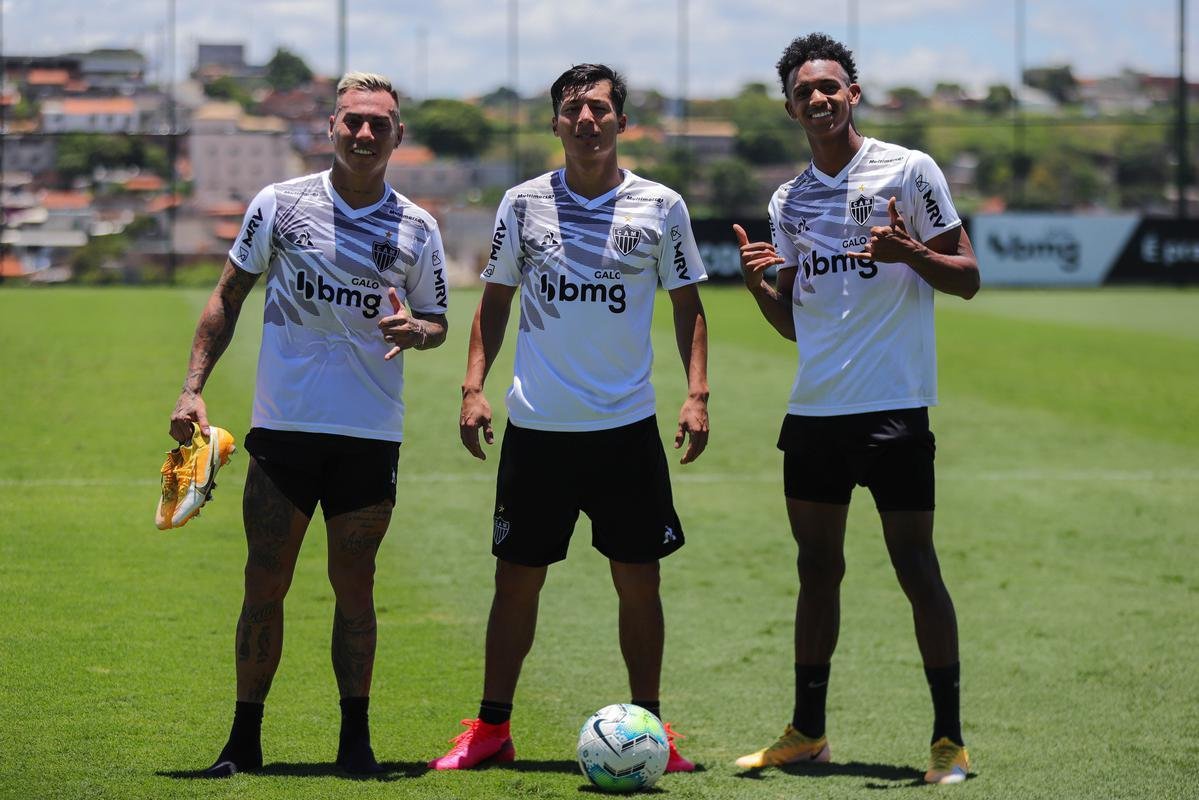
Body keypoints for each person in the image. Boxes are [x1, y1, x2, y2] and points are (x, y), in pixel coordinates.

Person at [428, 63, 709, 774]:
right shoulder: (521, 205)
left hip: (625, 429)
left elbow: (687, 306)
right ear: (556, 122)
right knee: (515, 581)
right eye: (572, 109)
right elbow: (494, 302)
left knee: (638, 581)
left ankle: (651, 731)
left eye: (600, 108)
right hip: (539, 427)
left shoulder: (660, 206)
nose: (586, 120)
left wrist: (696, 394)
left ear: (621, 122)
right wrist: (471, 387)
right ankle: (492, 730)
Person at [167, 72, 449, 777]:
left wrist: (416, 329)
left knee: (356, 585)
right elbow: (228, 296)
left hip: (368, 431)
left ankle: (355, 743)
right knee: (264, 581)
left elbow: (437, 322)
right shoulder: (279, 206)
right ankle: (243, 743)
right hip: (284, 429)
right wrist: (192, 390)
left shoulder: (417, 226)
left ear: (396, 136)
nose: (362, 134)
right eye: (351, 120)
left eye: (377, 124)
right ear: (329, 126)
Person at [731, 33, 980, 785]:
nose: (818, 99)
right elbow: (793, 321)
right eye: (805, 91)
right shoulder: (787, 200)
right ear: (789, 106)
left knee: (914, 565)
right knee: (816, 569)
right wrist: (758, 287)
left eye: (830, 87)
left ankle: (948, 742)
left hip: (893, 409)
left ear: (853, 95)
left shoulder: (908, 170)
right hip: (813, 413)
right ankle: (807, 732)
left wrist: (913, 256)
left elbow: (966, 277)